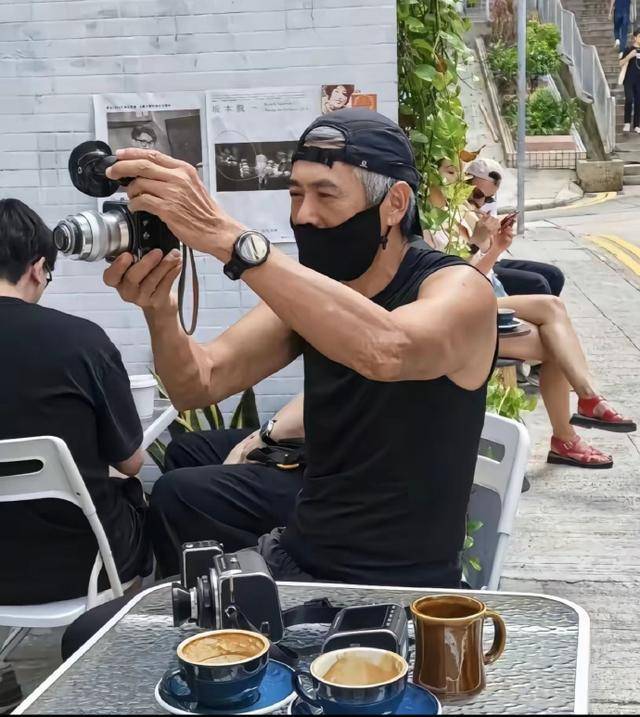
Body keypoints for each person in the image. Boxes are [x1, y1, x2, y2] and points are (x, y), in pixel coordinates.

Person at [102, 108, 498, 587]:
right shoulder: (321, 287)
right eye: (295, 194)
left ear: (395, 204)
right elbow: (197, 383)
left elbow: (387, 349)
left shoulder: (459, 289)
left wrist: (228, 239)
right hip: (300, 557)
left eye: (325, 194)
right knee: (101, 625)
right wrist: (160, 310)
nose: (303, 215)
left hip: (399, 583)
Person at [0, 199, 152, 604]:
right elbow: (130, 462)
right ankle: (123, 626)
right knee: (139, 498)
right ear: (37, 268)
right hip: (80, 568)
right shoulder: (82, 341)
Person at [441, 188, 636, 469]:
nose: (463, 181)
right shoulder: (430, 222)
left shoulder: (455, 211)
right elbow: (456, 285)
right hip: (459, 313)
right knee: (556, 341)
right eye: (450, 171)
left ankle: (584, 405)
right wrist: (480, 244)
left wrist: (495, 247)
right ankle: (574, 425)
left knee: (553, 310)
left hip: (481, 297)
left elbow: (474, 274)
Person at [466, 158, 565, 297]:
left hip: (491, 261)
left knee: (554, 275)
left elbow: (489, 246)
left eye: (489, 198)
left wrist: (498, 236)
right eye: (477, 194)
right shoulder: (456, 211)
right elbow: (467, 258)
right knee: (538, 283)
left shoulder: (483, 207)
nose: (482, 202)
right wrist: (483, 240)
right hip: (477, 270)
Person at [619, 29, 640, 134]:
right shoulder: (628, 49)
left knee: (638, 102)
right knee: (629, 99)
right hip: (628, 80)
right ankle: (627, 123)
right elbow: (620, 63)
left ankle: (637, 125)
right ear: (635, 37)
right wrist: (629, 56)